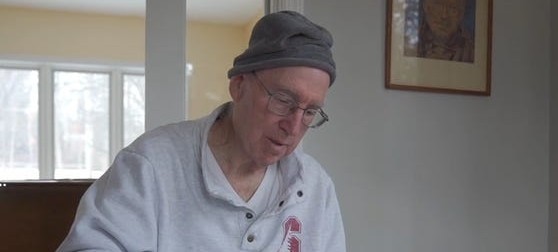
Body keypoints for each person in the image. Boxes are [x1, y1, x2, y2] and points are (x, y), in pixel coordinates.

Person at [57, 10, 345, 252]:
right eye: (283, 100)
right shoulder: (151, 164)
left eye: (309, 112)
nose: (293, 127)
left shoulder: (316, 188)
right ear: (239, 86)